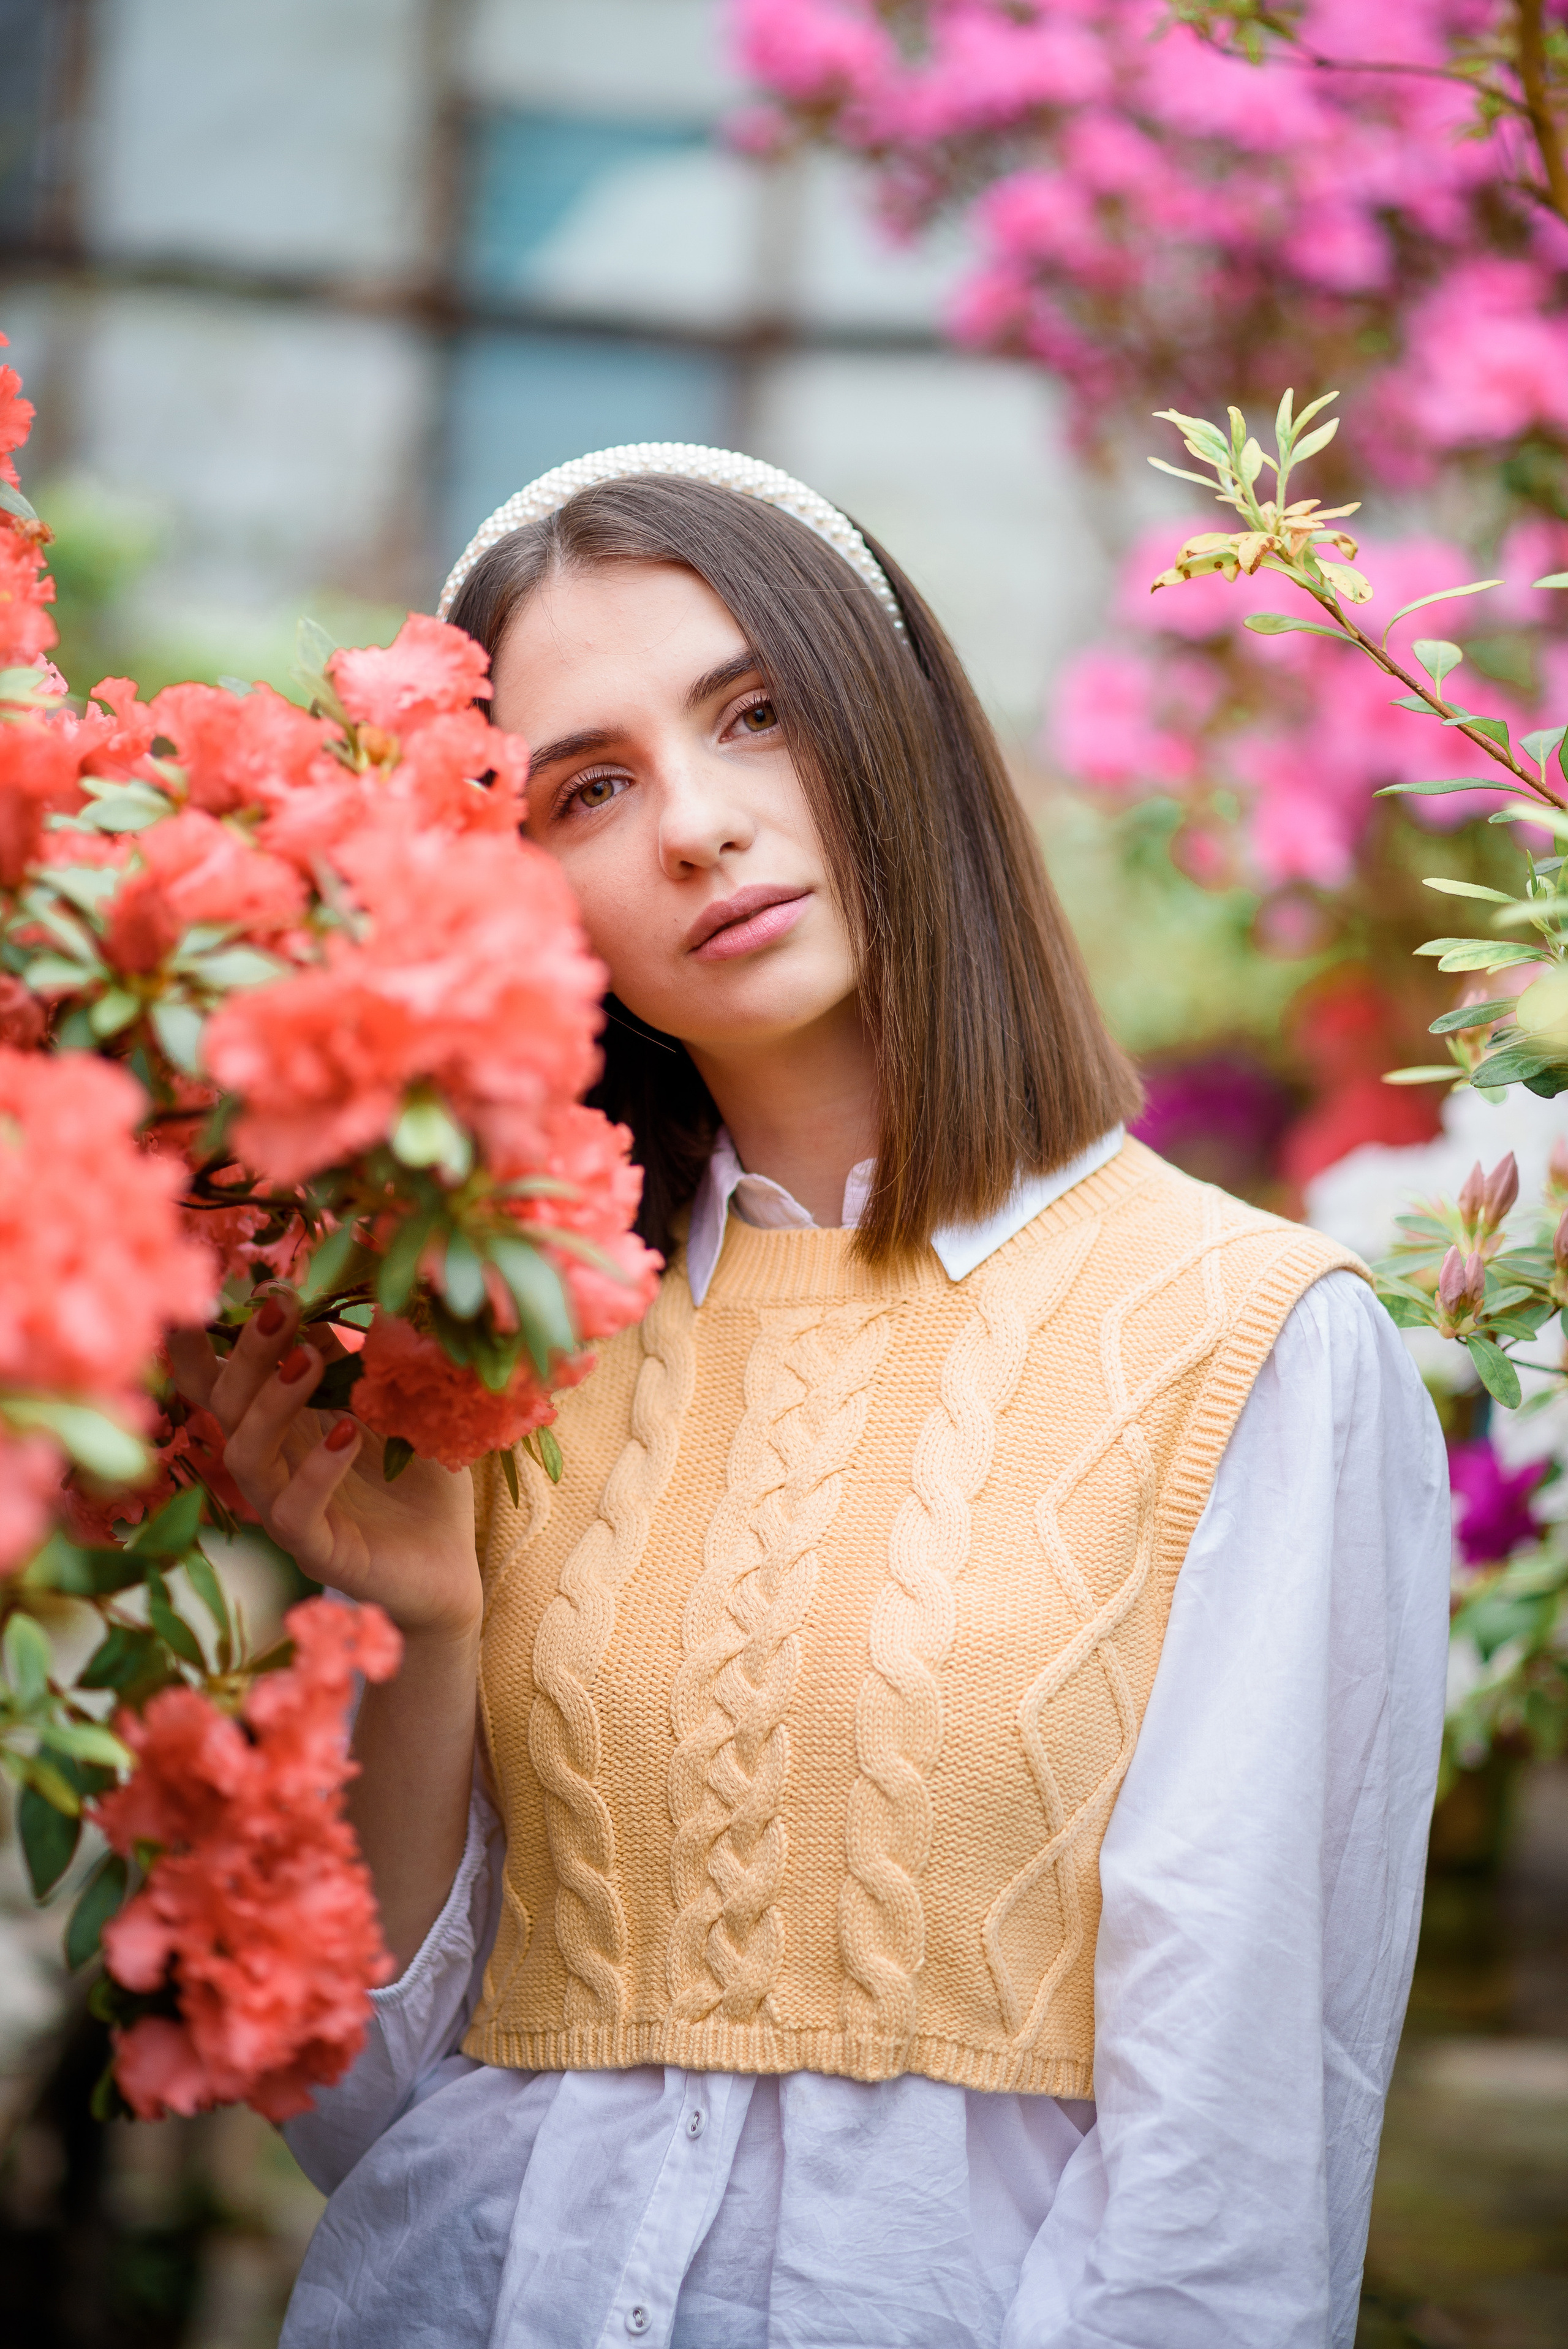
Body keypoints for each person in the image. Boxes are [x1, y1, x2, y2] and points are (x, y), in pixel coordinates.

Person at [171, 447, 1450, 2349]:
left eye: (757, 712)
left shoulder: (1250, 1343)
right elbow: (364, 2108)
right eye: (586, 786)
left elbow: (1233, 2193)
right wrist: (424, 1622)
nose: (694, 824)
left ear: (897, 723)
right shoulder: (493, 1342)